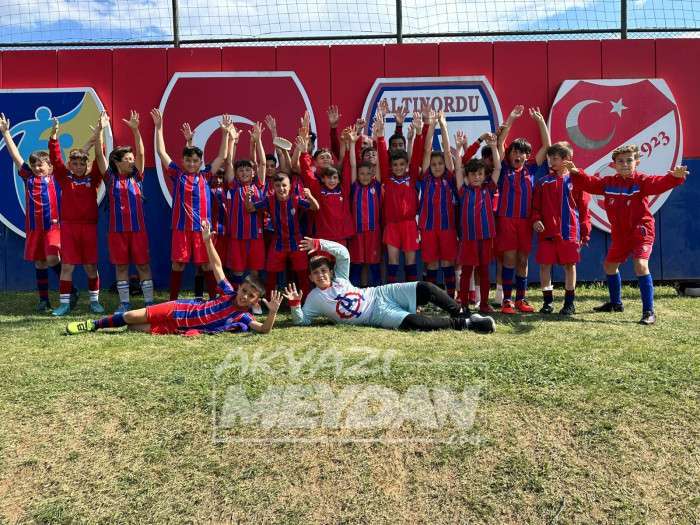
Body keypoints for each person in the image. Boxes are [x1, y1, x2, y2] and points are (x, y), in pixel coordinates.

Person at [66, 219, 283, 335]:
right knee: (130, 316)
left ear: (255, 301)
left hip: (178, 328)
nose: (244, 296)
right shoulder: (228, 292)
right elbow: (217, 266)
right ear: (240, 287)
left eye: (250, 296)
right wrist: (207, 242)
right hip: (179, 309)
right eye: (244, 290)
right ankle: (93, 324)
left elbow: (263, 329)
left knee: (133, 328)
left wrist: (272, 313)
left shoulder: (243, 317)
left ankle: (115, 324)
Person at [564, 146, 689, 324]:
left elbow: (659, 183)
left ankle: (649, 312)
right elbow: (590, 183)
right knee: (609, 266)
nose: (625, 164)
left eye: (629, 160)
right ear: (614, 165)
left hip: (641, 231)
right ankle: (616, 303)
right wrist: (577, 172)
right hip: (620, 235)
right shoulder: (608, 183)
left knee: (641, 265)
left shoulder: (642, 181)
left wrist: (675, 177)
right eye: (620, 161)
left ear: (637, 162)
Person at [283, 237, 496, 333]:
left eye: (323, 270)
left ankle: (462, 313)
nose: (320, 275)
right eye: (315, 273)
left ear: (330, 271)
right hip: (376, 315)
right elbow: (302, 322)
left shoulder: (340, 278)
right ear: (310, 278)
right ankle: (466, 325)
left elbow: (343, 253)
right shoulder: (314, 298)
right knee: (414, 323)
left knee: (425, 288)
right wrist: (294, 305)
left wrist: (319, 244)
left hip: (380, 294)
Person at [152, 109, 230, 301]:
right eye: (188, 160)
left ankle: (213, 301)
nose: (192, 164)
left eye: (195, 161)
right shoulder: (177, 174)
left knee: (206, 265)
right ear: (183, 161)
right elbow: (161, 152)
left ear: (200, 162)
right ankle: (172, 302)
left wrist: (225, 134)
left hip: (202, 231)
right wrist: (159, 127)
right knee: (178, 265)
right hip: (181, 229)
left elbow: (222, 156)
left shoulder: (206, 175)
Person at [0, 112, 63, 312]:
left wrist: (54, 134)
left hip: (52, 227)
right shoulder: (28, 176)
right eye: (34, 164)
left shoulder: (56, 178)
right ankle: (44, 300)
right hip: (34, 228)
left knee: (53, 259)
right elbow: (16, 156)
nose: (36, 167)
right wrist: (6, 133)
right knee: (40, 263)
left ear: (50, 167)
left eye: (40, 164)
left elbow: (61, 158)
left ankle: (69, 291)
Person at [94, 111, 155, 313]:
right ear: (117, 162)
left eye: (132, 158)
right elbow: (99, 155)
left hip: (138, 230)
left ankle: (149, 303)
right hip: (117, 232)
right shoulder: (110, 179)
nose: (131, 161)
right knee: (121, 267)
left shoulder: (137, 177)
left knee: (143, 266)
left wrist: (135, 130)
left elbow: (142, 154)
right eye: (127, 159)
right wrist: (100, 130)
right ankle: (125, 303)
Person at [496, 105, 551, 314]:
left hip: (526, 221)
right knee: (509, 259)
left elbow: (547, 147)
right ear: (509, 155)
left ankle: (521, 299)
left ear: (527, 156)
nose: (517, 155)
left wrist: (541, 122)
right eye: (514, 152)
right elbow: (500, 141)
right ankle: (507, 301)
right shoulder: (504, 168)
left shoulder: (532, 169)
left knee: (523, 260)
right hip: (506, 220)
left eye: (522, 152)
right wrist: (511, 118)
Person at [47, 117, 105, 315]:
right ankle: (64, 304)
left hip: (89, 227)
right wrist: (54, 135)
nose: (79, 166)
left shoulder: (94, 178)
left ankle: (94, 302)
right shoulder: (64, 178)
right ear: (70, 165)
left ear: (86, 165)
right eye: (75, 163)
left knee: (91, 266)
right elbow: (55, 159)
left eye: (82, 163)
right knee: (67, 266)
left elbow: (100, 157)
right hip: (69, 227)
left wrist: (99, 134)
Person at [531, 142, 590, 315]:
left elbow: (584, 209)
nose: (551, 162)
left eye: (555, 158)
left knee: (569, 266)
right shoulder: (542, 182)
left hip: (569, 232)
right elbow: (535, 208)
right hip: (547, 233)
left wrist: (585, 232)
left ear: (567, 159)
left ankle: (569, 303)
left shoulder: (578, 181)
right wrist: (536, 220)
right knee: (544, 266)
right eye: (550, 158)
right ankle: (547, 302)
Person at [455, 132, 501, 314]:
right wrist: (461, 147)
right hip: (468, 238)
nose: (476, 177)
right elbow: (459, 168)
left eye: (480, 174)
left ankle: (484, 304)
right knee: (467, 271)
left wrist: (494, 147)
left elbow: (497, 168)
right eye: (473, 174)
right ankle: (464, 304)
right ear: (468, 176)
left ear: (484, 175)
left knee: (484, 270)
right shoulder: (463, 190)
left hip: (486, 237)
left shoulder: (489, 189)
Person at [418, 110, 458, 298]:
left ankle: (450, 297)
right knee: (432, 263)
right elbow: (427, 151)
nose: (437, 166)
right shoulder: (426, 178)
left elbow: (447, 152)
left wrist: (443, 126)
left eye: (440, 163)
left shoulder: (449, 177)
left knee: (448, 263)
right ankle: (433, 299)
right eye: (433, 164)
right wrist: (432, 125)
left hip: (447, 227)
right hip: (428, 227)